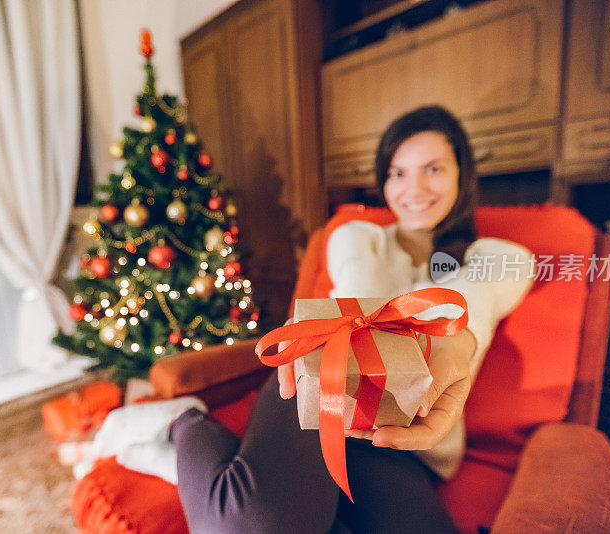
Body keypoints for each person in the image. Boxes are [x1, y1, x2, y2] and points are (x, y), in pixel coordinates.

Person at [125, 106, 532, 533]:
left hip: (403, 443)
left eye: (432, 169)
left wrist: (454, 337)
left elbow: (482, 289)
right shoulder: (357, 235)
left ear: (461, 175)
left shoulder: (494, 256)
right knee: (256, 525)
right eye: (397, 173)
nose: (414, 189)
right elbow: (359, 293)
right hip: (322, 391)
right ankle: (183, 421)